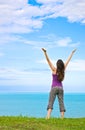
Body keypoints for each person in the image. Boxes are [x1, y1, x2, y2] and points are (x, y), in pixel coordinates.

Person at [42, 48, 76, 119]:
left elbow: (48, 61)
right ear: (62, 65)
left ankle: (48, 117)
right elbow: (68, 61)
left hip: (54, 88)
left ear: (57, 65)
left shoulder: (54, 69)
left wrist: (45, 53)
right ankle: (62, 117)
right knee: (61, 102)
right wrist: (72, 53)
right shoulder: (63, 70)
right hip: (61, 88)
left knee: (51, 102)